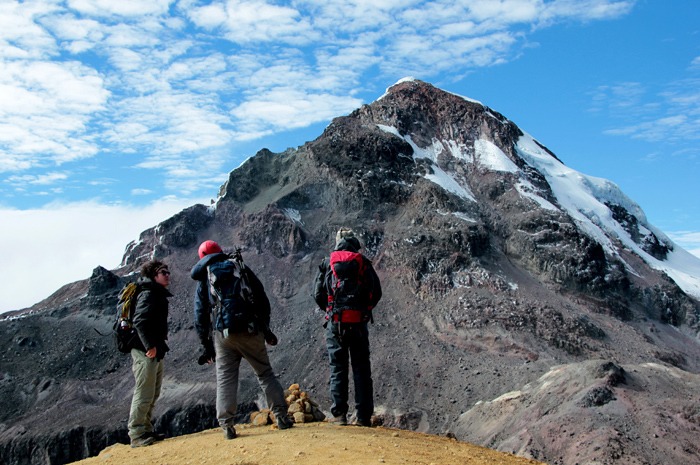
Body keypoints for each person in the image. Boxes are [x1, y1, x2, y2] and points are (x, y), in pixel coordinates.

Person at [191, 240, 293, 439]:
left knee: (226, 379)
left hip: (223, 336)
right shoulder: (239, 267)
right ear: (220, 251)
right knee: (264, 373)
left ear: (201, 258)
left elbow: (200, 315)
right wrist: (266, 329)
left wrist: (206, 346)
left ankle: (227, 426)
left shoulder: (206, 277)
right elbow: (261, 298)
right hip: (250, 330)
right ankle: (281, 417)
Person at [313, 228, 382, 426]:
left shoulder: (328, 263)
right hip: (358, 323)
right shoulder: (363, 263)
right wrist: (364, 310)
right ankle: (363, 417)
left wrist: (330, 310)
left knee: (338, 368)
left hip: (336, 324)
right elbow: (376, 291)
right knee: (361, 369)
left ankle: (340, 415)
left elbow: (317, 293)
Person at [128, 260, 172, 447]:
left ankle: (146, 429)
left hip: (154, 348)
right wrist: (148, 346)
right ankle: (137, 433)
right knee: (144, 391)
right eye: (163, 272)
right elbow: (139, 321)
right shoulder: (148, 294)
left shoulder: (155, 293)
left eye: (167, 271)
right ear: (154, 275)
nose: (167, 274)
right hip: (144, 350)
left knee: (153, 391)